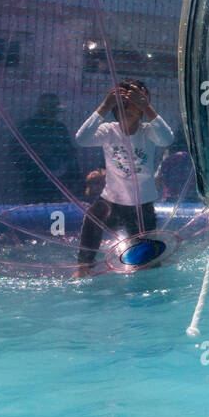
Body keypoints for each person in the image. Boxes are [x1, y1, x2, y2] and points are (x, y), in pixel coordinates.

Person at [72, 80, 173, 277]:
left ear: (142, 109)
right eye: (122, 104)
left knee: (146, 264)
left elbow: (167, 139)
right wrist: (104, 105)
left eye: (133, 104)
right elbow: (81, 138)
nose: (127, 109)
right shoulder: (109, 130)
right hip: (111, 201)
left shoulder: (148, 131)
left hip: (141, 206)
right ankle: (84, 266)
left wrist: (146, 105)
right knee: (94, 217)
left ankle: (150, 267)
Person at [12, 92, 81, 202]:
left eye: (55, 109)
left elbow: (70, 154)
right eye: (50, 108)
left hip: (59, 181)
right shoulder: (28, 126)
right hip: (35, 180)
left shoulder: (60, 128)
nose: (54, 113)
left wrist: (76, 177)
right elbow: (15, 152)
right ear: (42, 108)